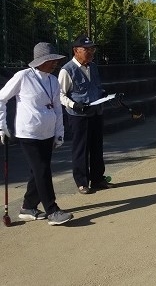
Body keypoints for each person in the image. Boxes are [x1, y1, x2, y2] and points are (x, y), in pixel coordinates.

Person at [0, 43, 73, 225]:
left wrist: (59, 132)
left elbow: (57, 108)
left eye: (55, 60)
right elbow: (1, 98)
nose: (55, 63)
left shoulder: (52, 80)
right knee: (42, 170)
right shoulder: (23, 76)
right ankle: (52, 210)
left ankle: (28, 206)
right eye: (51, 60)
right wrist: (2, 127)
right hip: (28, 133)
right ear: (40, 61)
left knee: (37, 171)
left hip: (47, 133)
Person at [58, 35, 110, 194]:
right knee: (81, 148)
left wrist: (103, 94)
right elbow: (60, 94)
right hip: (79, 115)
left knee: (97, 146)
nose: (90, 52)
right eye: (86, 49)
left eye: (92, 49)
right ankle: (82, 182)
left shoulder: (93, 66)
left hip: (96, 112)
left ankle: (97, 179)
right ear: (76, 51)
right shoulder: (67, 70)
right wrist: (74, 104)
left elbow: (96, 86)